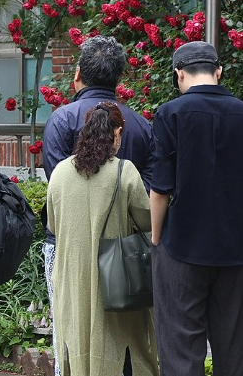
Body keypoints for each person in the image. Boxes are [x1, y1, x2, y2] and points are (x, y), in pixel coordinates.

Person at [42, 36, 154, 376]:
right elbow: (149, 199)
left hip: (69, 248)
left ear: (78, 74)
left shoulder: (62, 121)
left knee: (72, 329)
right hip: (126, 254)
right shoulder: (141, 125)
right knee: (126, 336)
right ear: (119, 77)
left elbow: (58, 191)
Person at [150, 41, 243, 375]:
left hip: (182, 245)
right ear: (219, 71)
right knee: (235, 349)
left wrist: (157, 240)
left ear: (179, 75)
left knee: (179, 348)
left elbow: (160, 188)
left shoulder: (170, 113)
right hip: (236, 249)